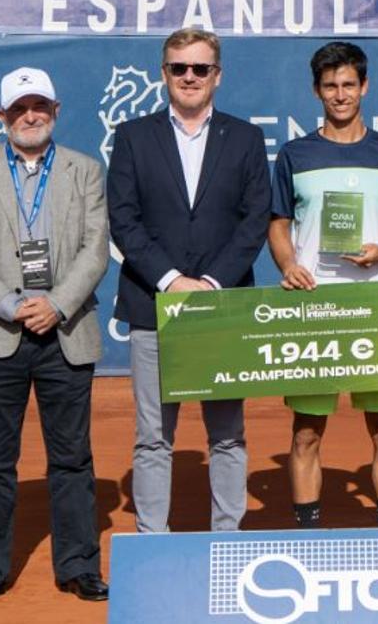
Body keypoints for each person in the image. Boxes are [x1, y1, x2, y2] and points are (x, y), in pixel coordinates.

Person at [0, 67, 109, 605]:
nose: (29, 115)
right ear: (2, 117)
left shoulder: (85, 171)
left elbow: (95, 247)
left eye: (38, 106)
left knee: (72, 459)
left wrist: (56, 304)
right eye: (18, 108)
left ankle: (79, 565)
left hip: (65, 332)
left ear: (55, 111)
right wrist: (11, 304)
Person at [107, 28, 271, 533]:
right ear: (164, 74)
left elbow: (254, 219)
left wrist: (212, 285)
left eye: (200, 68)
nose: (190, 77)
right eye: (179, 68)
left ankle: (227, 538)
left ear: (217, 75)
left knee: (227, 434)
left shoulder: (245, 137)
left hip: (222, 311)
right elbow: (124, 219)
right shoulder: (133, 136)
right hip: (153, 306)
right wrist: (173, 281)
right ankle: (154, 541)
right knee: (154, 437)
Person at [268, 41, 378, 528]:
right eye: (329, 86)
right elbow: (278, 223)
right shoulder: (295, 154)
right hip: (312, 307)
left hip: (377, 309)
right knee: (305, 435)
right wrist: (287, 263)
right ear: (316, 91)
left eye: (348, 85)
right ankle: (308, 533)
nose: (340, 95)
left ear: (365, 87)